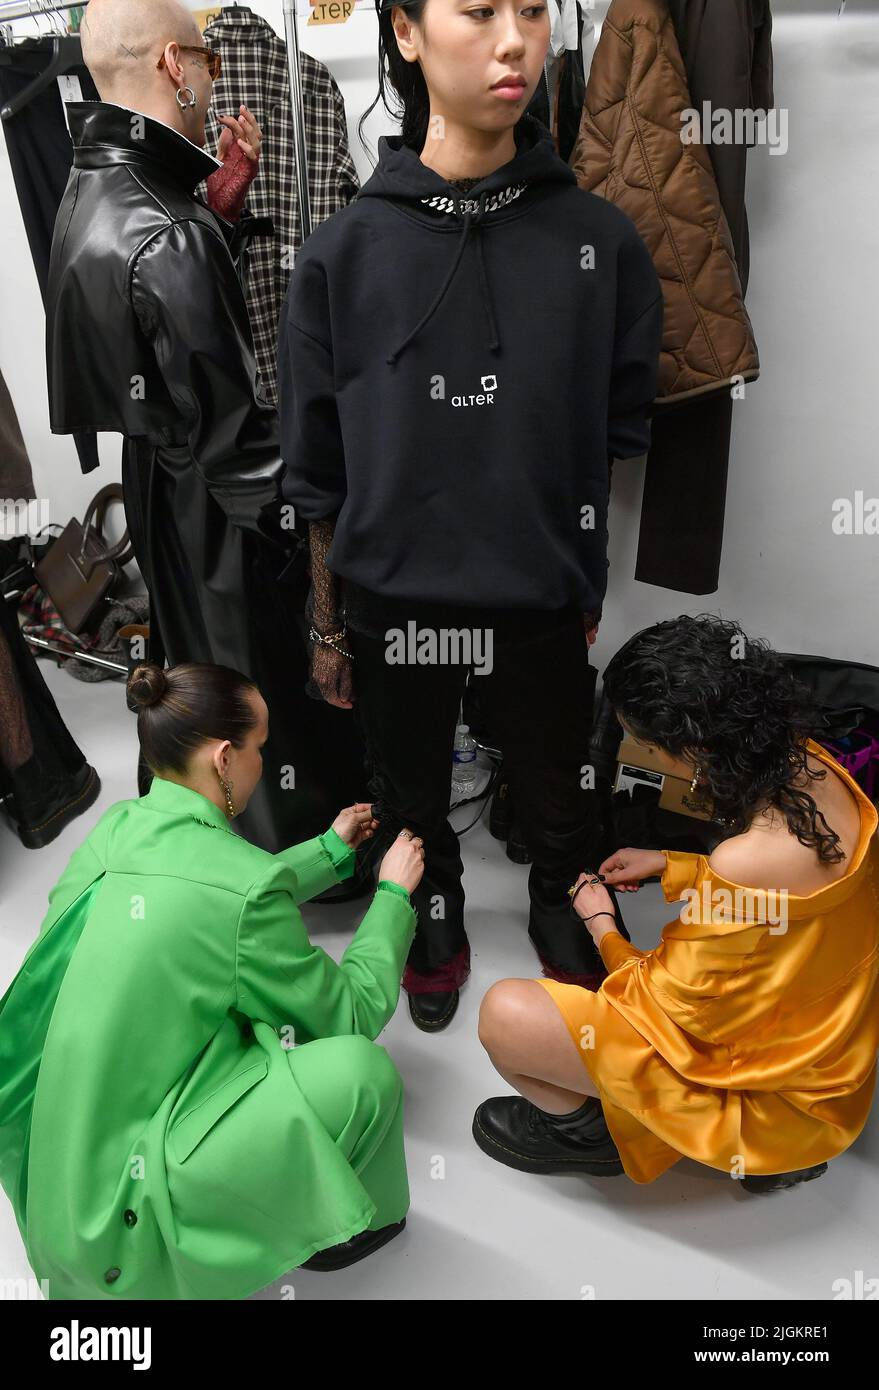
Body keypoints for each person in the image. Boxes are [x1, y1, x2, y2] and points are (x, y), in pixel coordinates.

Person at [278, 0, 663, 1031]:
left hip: (539, 587)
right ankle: (432, 906)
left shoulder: (597, 240)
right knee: (409, 785)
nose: (514, 43)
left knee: (556, 780)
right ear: (404, 33)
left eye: (533, 11)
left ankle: (555, 897)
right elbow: (317, 470)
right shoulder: (342, 253)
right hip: (394, 593)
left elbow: (614, 434)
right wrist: (327, 623)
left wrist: (587, 578)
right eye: (479, 11)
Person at [45, 0, 368, 858]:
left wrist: (219, 203)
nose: (213, 79)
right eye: (206, 61)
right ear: (172, 66)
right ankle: (294, 856)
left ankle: (200, 830)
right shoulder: (172, 231)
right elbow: (239, 449)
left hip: (159, 481)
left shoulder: (93, 183)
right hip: (214, 505)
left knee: (198, 666)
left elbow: (145, 337)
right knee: (255, 685)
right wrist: (319, 551)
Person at [0, 661, 425, 1299]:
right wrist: (392, 898)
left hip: (53, 1188)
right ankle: (352, 1224)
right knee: (364, 1073)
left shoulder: (116, 830)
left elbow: (208, 894)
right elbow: (349, 1013)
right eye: (260, 747)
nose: (264, 760)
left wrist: (329, 852)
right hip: (119, 1231)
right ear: (225, 758)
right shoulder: (241, 888)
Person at [472, 615, 879, 1193]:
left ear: (690, 748)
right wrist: (675, 866)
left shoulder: (747, 859)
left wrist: (601, 925)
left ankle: (588, 1136)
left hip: (775, 1104)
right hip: (828, 1071)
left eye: (648, 744)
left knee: (506, 1015)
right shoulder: (818, 765)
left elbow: (661, 1007)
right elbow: (789, 908)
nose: (651, 756)